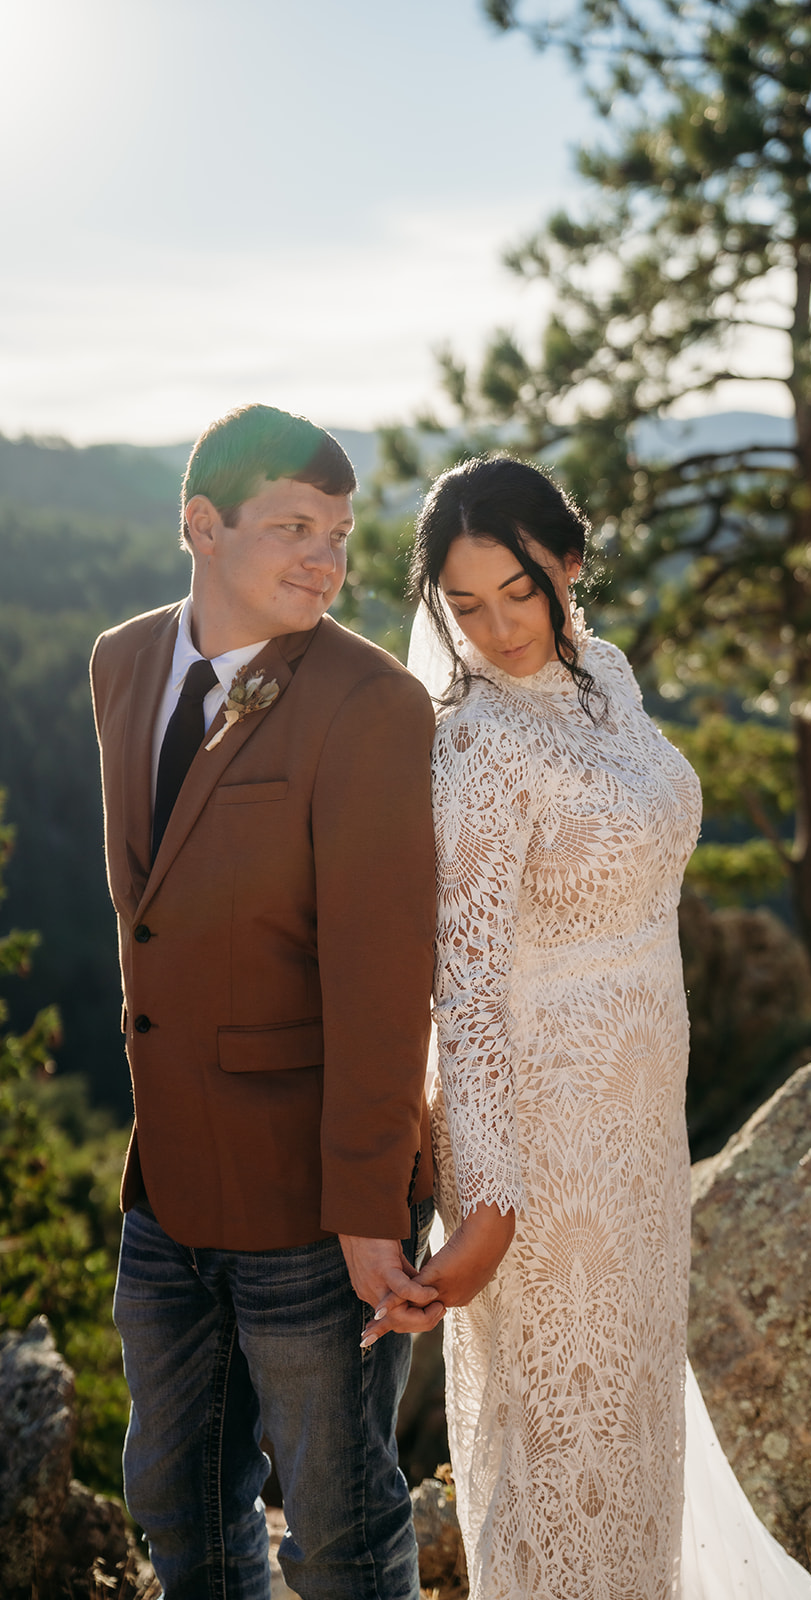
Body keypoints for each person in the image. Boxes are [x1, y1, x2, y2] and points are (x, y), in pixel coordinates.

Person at [370, 454, 811, 1600]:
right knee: (562, 1448)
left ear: (567, 563)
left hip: (640, 1125)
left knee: (631, 1425)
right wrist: (484, 1206)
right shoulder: (470, 742)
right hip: (546, 1144)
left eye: (517, 593)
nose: (492, 629)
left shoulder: (605, 678)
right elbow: (464, 988)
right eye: (463, 606)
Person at [89, 402, 445, 1600]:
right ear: (201, 525)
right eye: (294, 526)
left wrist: (366, 1209)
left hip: (315, 1204)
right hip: (167, 1188)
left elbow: (385, 977)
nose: (326, 561)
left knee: (338, 1533)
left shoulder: (371, 706)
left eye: (339, 534)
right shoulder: (122, 662)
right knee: (179, 1510)